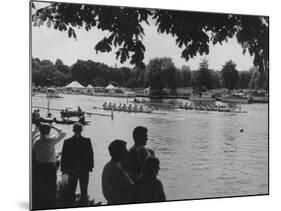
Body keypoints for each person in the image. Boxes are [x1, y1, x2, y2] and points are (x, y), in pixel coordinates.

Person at [32, 123, 66, 209]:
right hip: (50, 166)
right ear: (49, 131)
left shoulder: (36, 141)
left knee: (41, 184)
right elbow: (63, 133)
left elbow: (34, 135)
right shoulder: (51, 140)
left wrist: (38, 130)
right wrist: (54, 127)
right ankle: (51, 203)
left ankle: (41, 202)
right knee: (51, 185)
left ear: (40, 131)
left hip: (39, 166)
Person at [61, 123, 94, 205]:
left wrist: (63, 169)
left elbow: (64, 157)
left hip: (72, 171)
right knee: (84, 191)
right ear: (81, 130)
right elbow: (90, 155)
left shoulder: (67, 142)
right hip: (84, 170)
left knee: (71, 191)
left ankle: (71, 205)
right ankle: (84, 204)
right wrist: (90, 167)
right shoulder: (87, 141)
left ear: (73, 130)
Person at [102, 140, 134, 205]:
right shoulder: (114, 170)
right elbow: (118, 194)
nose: (127, 152)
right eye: (124, 150)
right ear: (119, 152)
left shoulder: (113, 166)